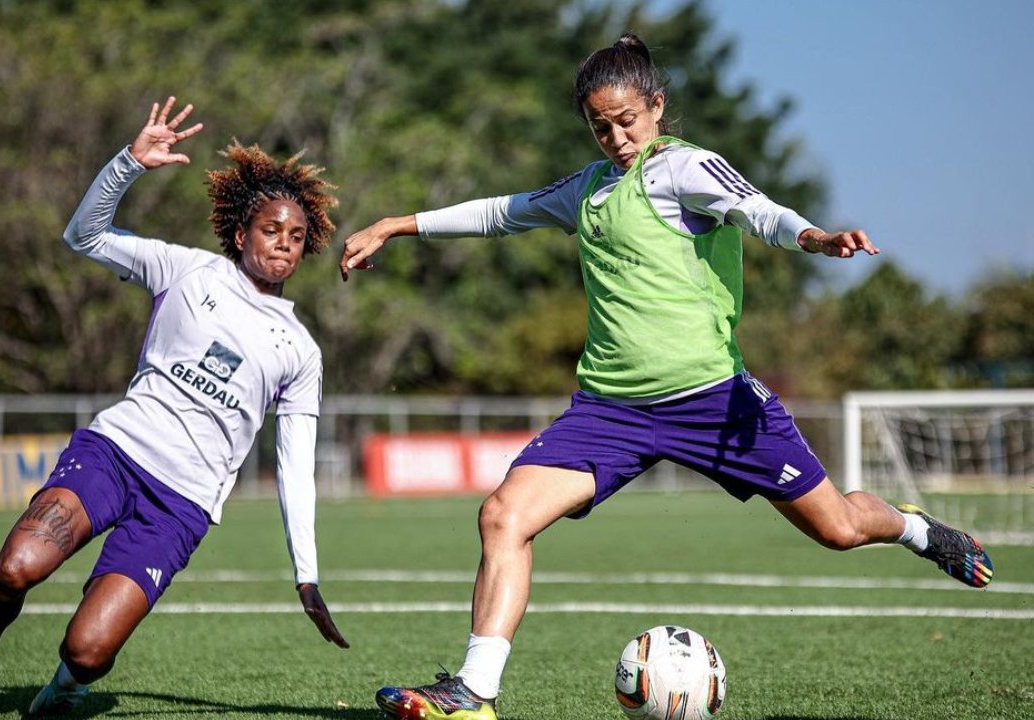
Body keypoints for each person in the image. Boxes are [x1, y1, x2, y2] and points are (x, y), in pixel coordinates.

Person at [341, 34, 994, 720]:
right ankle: (472, 694)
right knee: (503, 515)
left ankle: (917, 530)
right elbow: (502, 213)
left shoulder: (686, 169)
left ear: (656, 106)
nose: (616, 138)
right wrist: (395, 224)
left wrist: (815, 237)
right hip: (610, 411)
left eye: (627, 120)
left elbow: (760, 212)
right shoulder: (588, 191)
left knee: (838, 528)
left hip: (715, 402)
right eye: (601, 127)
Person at [0, 96, 349, 720]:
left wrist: (306, 573)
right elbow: (82, 235)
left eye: (296, 236)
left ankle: (65, 689)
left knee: (88, 652)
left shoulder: (300, 351)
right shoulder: (185, 270)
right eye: (270, 230)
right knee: (15, 568)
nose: (283, 244)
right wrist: (127, 164)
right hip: (114, 455)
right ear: (240, 233)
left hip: (180, 506)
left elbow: (294, 467)